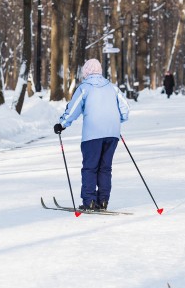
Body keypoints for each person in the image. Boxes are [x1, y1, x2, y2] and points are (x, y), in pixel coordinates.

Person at [54, 58, 130, 211]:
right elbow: (125, 109)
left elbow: (73, 108)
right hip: (112, 134)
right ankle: (103, 202)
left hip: (93, 135)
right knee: (105, 168)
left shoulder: (84, 88)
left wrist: (62, 124)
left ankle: (89, 201)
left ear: (86, 73)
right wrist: (116, 121)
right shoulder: (112, 87)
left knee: (90, 167)